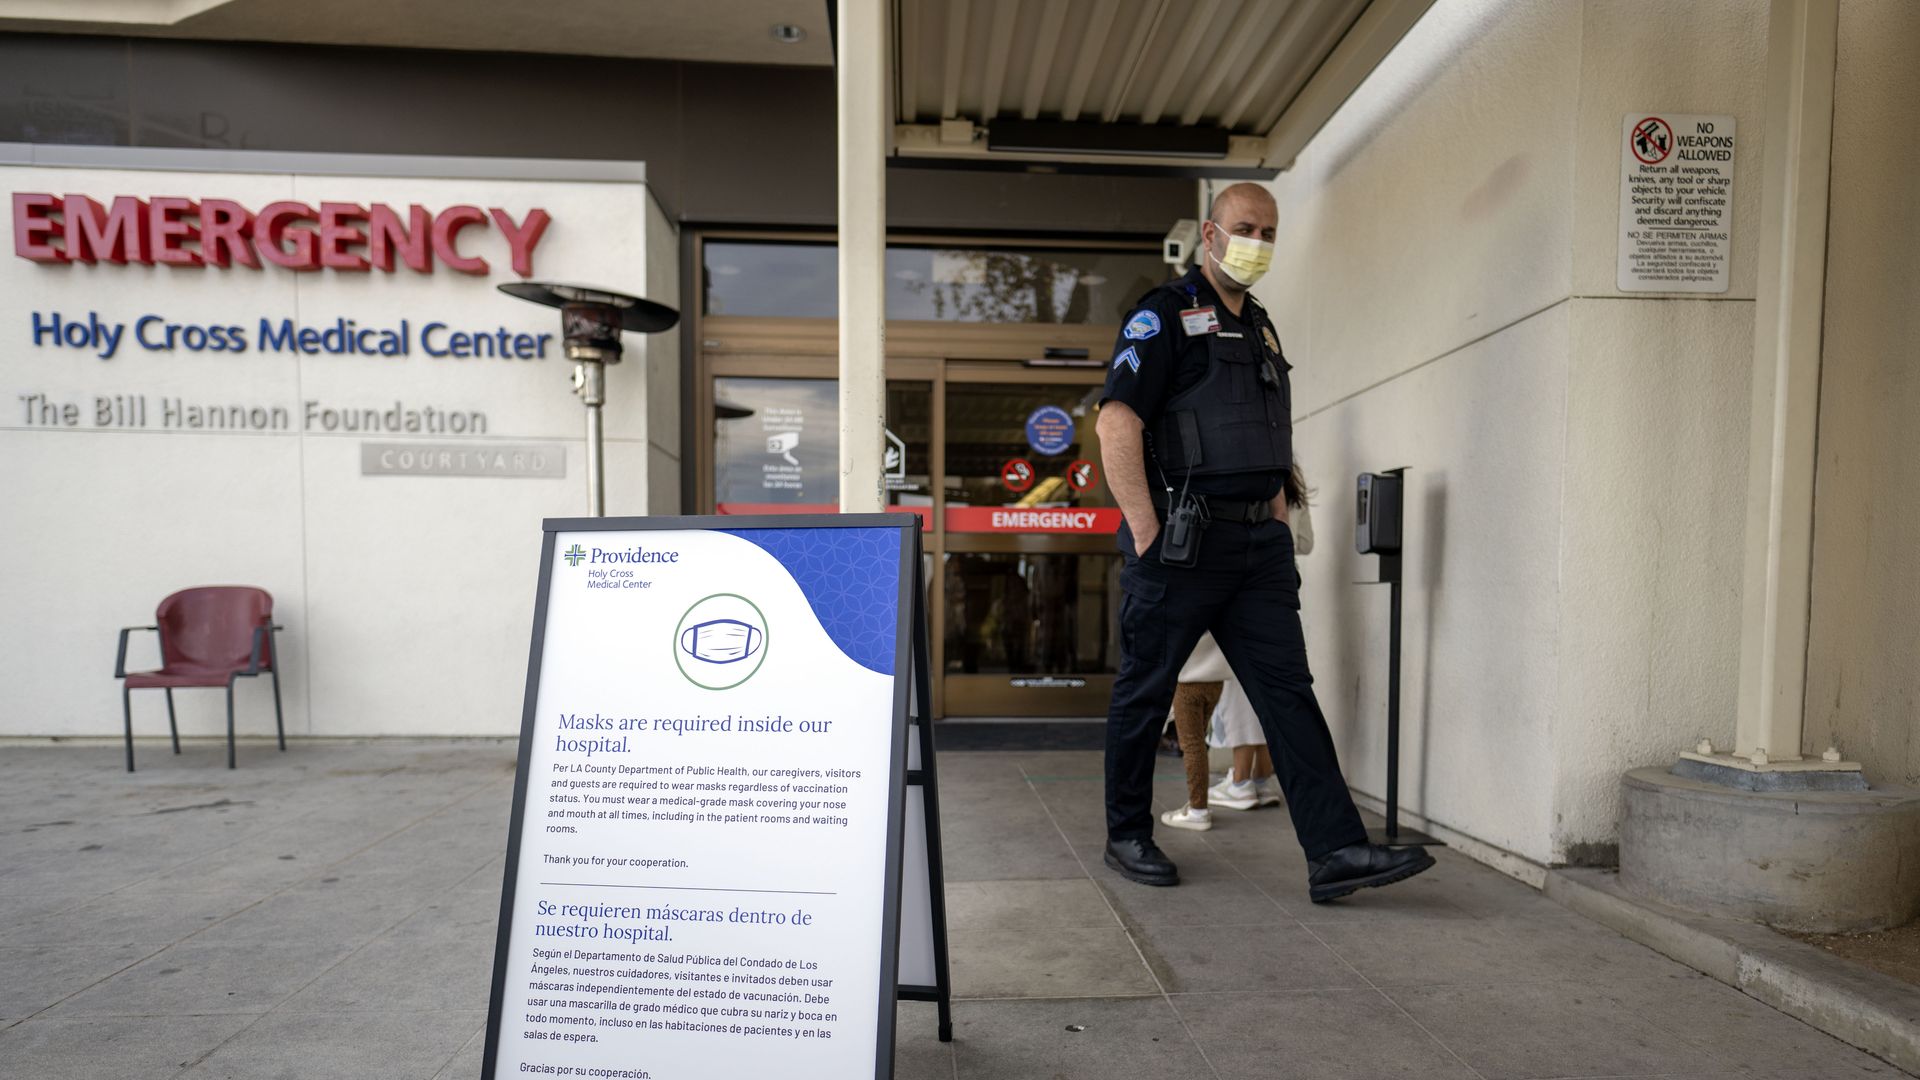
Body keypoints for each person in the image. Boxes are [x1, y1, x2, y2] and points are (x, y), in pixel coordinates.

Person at [1095, 182, 1434, 902]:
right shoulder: (1161, 317)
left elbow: (1265, 433)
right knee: (1145, 691)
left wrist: (1278, 514)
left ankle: (1337, 852)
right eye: (1245, 227)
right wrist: (1146, 531)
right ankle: (1126, 834)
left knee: (1289, 696)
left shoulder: (1261, 327)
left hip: (1256, 550)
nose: (1258, 242)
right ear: (1210, 236)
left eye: (1270, 231)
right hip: (1181, 544)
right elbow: (1116, 425)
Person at [1208, 465, 1312, 812]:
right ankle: (1262, 780)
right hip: (1283, 585)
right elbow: (1307, 544)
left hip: (1247, 589)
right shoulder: (1294, 490)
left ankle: (1239, 781)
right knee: (1271, 685)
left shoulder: (1251, 480)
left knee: (1238, 690)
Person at [1158, 632, 1231, 831]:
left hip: (1188, 680)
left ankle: (1198, 810)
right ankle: (1197, 804)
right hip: (1215, 679)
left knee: (1191, 746)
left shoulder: (1189, 603)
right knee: (1197, 742)